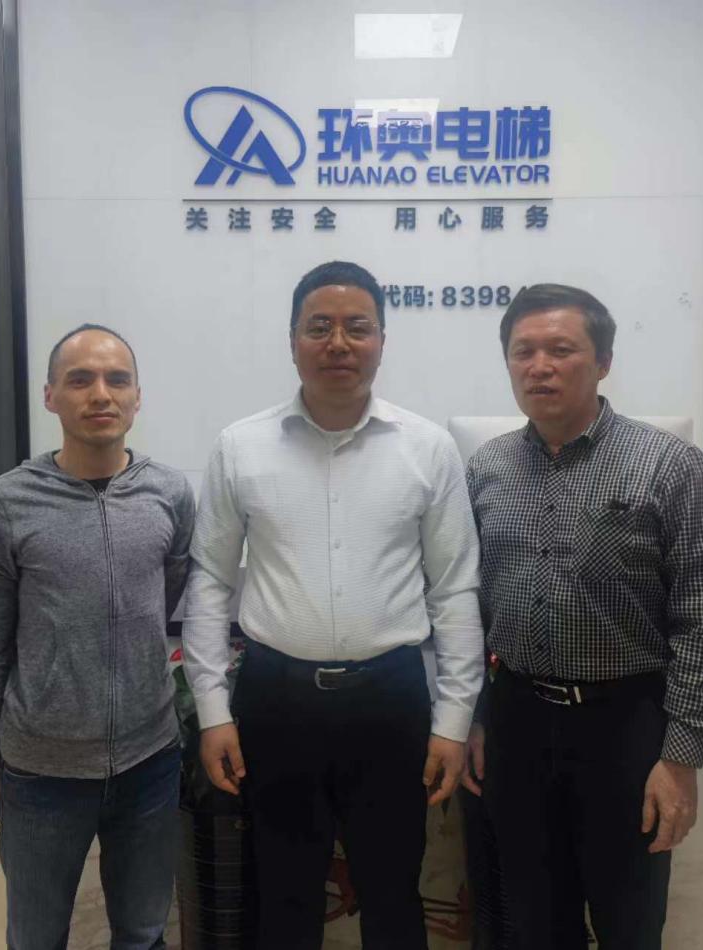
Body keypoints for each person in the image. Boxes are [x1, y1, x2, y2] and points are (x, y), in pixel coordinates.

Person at [181, 260, 484, 950]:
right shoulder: (241, 447)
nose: (338, 343)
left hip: (390, 699)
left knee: (393, 894)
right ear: (292, 341)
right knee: (284, 897)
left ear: (381, 341)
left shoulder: (428, 449)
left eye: (357, 327)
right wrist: (213, 711)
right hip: (275, 700)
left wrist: (452, 719)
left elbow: (454, 588)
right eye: (319, 327)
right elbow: (209, 583)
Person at [462, 284, 703, 950]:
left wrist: (680, 758)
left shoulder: (670, 465)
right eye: (523, 351)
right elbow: (468, 606)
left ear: (603, 361)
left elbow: (701, 617)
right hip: (517, 721)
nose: (540, 367)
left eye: (561, 349)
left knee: (629, 924)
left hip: (626, 728)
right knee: (532, 923)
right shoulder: (486, 467)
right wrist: (473, 717)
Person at [0, 324, 195, 950]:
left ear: (138, 396)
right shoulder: (4, 502)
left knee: (143, 932)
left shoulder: (170, 493)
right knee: (36, 937)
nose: (100, 394)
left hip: (149, 761)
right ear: (50, 396)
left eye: (117, 380)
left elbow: (166, 596)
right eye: (80, 380)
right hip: (41, 771)